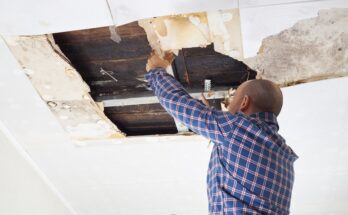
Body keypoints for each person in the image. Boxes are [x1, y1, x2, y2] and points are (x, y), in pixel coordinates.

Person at [145, 51, 298, 215]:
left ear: (244, 102)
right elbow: (178, 105)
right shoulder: (284, 158)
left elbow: (178, 103)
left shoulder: (236, 130)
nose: (229, 107)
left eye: (234, 100)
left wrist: (156, 70)